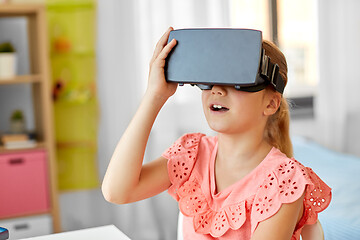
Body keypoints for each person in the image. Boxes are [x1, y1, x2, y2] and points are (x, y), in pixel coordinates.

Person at [102, 27, 331, 240]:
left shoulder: (284, 181)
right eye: (210, 80)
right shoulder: (192, 154)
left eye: (237, 82)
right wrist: (154, 96)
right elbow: (116, 191)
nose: (217, 90)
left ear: (271, 104)